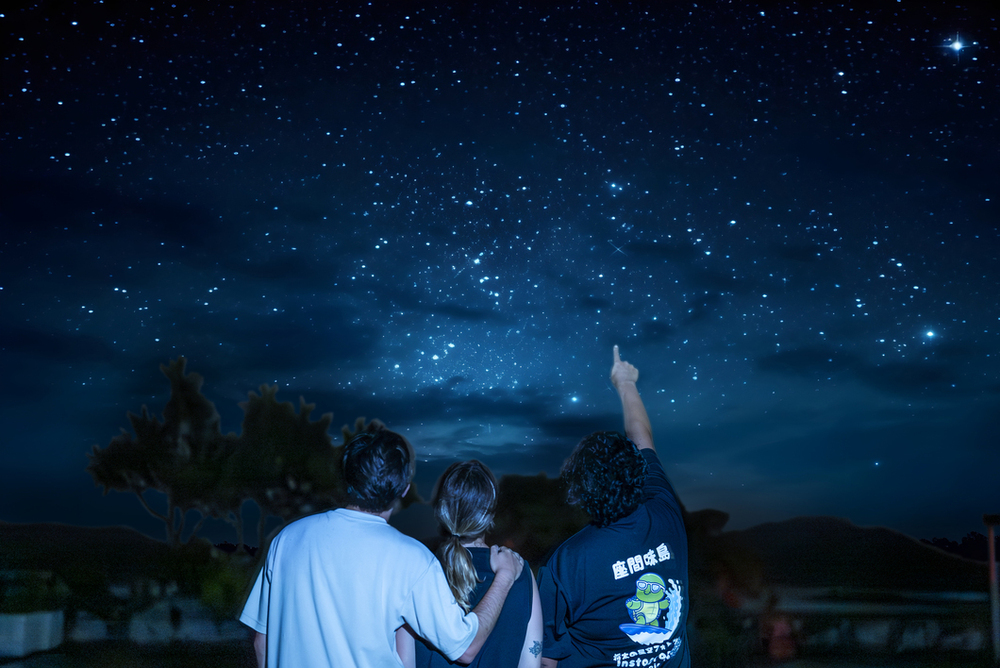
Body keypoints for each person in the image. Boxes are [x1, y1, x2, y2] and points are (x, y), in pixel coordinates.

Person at [239, 427, 525, 668]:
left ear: (347, 478)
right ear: (403, 488)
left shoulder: (287, 539)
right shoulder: (413, 560)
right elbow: (466, 648)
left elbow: (262, 641)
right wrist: (504, 577)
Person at [538, 345, 690, 668]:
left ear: (583, 493)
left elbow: (546, 658)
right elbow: (642, 436)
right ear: (638, 471)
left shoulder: (567, 562)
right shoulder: (666, 514)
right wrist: (626, 382)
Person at [397, 460, 543, 668]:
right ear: (490, 513)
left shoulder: (418, 573)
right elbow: (531, 663)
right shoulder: (520, 573)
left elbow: (404, 663)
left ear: (442, 510)